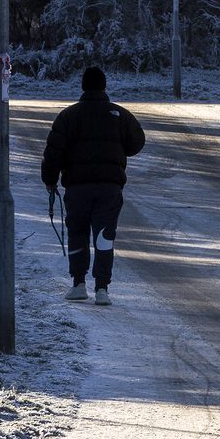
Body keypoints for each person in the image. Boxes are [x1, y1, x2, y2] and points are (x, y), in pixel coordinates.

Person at [40, 66, 146, 306]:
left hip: (77, 188)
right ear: (104, 86)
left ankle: (78, 283)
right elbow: (137, 142)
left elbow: (53, 152)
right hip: (109, 188)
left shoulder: (68, 116)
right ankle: (102, 288)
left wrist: (49, 179)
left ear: (83, 87)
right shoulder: (119, 115)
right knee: (104, 235)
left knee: (77, 232)